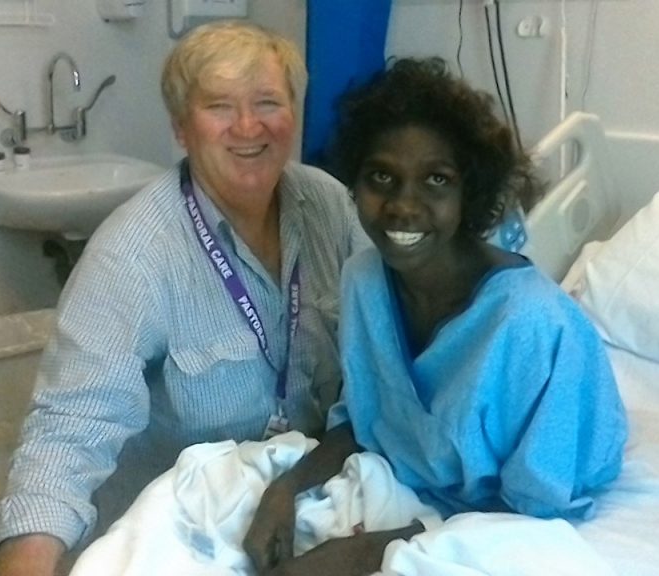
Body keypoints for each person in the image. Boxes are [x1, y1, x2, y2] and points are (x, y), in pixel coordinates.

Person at [0, 21, 369, 576]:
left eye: (267, 102)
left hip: (305, 503)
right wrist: (27, 561)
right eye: (219, 106)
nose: (248, 126)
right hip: (180, 532)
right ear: (181, 128)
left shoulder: (329, 207)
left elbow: (384, 348)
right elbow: (72, 424)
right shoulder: (133, 253)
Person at [243, 57, 628, 575]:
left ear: (471, 193)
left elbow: (537, 511)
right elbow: (365, 420)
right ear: (354, 181)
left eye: (436, 180)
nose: (403, 205)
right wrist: (285, 489)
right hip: (407, 492)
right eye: (382, 176)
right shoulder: (364, 278)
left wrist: (376, 549)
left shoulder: (532, 326)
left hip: (507, 522)